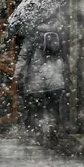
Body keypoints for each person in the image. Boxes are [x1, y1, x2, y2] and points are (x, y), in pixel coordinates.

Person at [14, 16, 67, 146]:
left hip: (36, 82)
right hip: (56, 80)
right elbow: (65, 57)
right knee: (53, 108)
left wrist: (17, 75)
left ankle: (38, 134)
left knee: (36, 109)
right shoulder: (58, 33)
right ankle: (51, 128)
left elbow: (23, 57)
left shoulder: (32, 36)